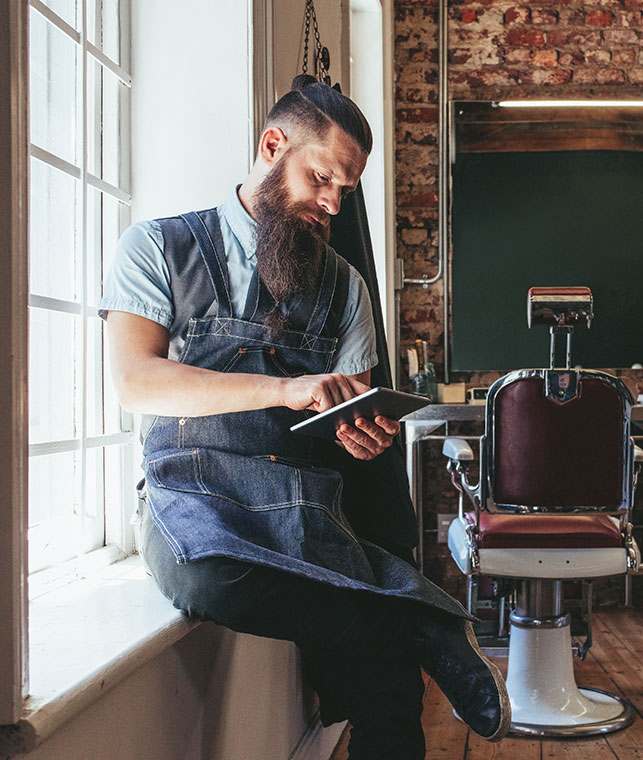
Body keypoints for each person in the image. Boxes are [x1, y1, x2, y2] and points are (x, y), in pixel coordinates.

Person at [98, 78, 508, 759]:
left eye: (344, 190)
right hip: (190, 494)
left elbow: (351, 419)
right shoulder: (156, 247)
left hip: (303, 503)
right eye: (322, 179)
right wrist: (284, 390)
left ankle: (404, 636)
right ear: (271, 145)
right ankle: (417, 622)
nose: (331, 204)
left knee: (389, 698)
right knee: (211, 578)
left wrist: (362, 435)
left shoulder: (346, 288)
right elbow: (136, 381)